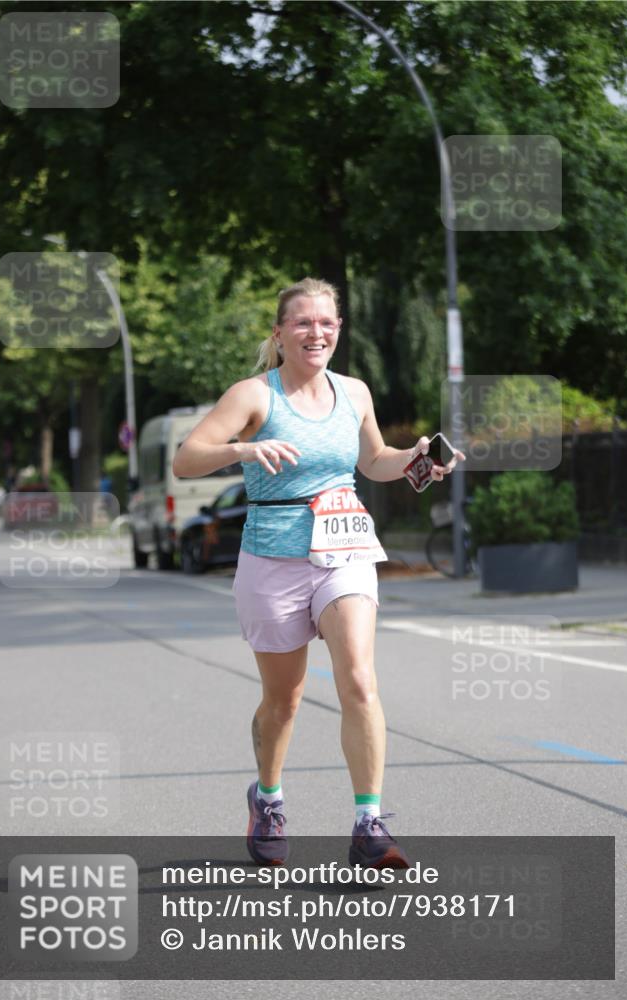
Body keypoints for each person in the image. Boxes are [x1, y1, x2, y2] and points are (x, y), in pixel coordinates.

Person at [172, 277, 463, 868]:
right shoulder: (254, 395)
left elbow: (373, 460)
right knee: (284, 701)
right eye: (302, 322)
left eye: (326, 323)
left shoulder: (353, 392)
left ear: (338, 331)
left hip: (344, 547)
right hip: (272, 554)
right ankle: (269, 797)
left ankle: (368, 823)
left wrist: (416, 460)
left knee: (358, 678)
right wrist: (242, 450)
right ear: (279, 333)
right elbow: (185, 459)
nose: (316, 332)